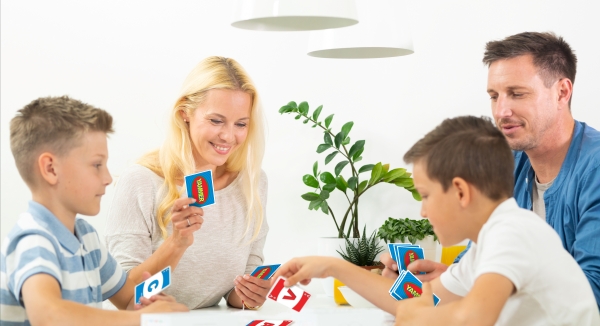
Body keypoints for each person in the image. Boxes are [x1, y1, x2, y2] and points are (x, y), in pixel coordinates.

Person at [275, 116, 599, 325]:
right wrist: (331, 267)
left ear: (459, 191)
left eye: (425, 196)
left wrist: (415, 316)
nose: (423, 212)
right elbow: (418, 299)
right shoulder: (483, 248)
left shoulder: (514, 231)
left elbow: (474, 318)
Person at [381, 31, 600, 308]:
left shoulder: (595, 168)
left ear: (562, 92)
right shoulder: (507, 162)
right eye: (494, 96)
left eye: (517, 94)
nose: (501, 111)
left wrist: (477, 294)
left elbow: (592, 294)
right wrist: (447, 280)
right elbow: (480, 258)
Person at [1, 96, 188, 325]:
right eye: (97, 165)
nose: (108, 178)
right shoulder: (33, 241)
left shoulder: (86, 238)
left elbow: (127, 296)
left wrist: (147, 304)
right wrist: (138, 319)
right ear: (50, 169)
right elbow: (47, 315)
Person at [105, 56, 270, 310]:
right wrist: (176, 243)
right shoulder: (140, 181)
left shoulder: (252, 184)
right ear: (185, 114)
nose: (228, 136)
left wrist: (251, 294)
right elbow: (125, 299)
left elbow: (237, 293)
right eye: (216, 120)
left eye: (240, 124)